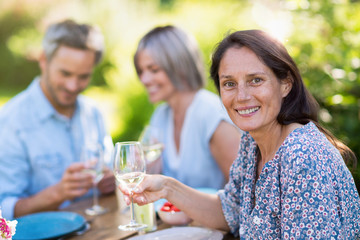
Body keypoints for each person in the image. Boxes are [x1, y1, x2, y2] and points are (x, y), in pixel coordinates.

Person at [121, 30, 360, 239]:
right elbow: (232, 211)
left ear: (285, 84)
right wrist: (167, 188)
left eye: (256, 80)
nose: (242, 96)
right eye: (229, 84)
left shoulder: (303, 156)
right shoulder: (252, 142)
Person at [0, 19, 115, 220]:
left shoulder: (93, 113)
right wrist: (59, 193)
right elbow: (4, 212)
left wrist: (109, 180)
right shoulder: (10, 122)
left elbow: (110, 173)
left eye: (83, 76)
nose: (73, 86)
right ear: (43, 60)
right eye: (65, 73)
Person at [133, 25, 241, 189]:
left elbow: (242, 190)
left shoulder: (211, 114)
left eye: (154, 70)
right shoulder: (161, 115)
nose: (144, 79)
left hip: (212, 215)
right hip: (169, 214)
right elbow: (151, 177)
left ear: (179, 66)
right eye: (141, 71)